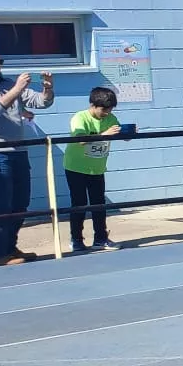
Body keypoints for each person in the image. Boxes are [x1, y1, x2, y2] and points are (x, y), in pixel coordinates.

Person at [0, 41, 55, 264]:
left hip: (18, 150)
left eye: (0, 61)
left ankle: (9, 247)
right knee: (1, 206)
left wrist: (47, 88)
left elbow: (41, 103)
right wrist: (16, 89)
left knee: (20, 204)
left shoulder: (7, 83)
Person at [63, 85, 125, 250]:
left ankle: (100, 238)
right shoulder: (80, 118)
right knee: (79, 203)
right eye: (103, 110)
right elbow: (80, 140)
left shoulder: (110, 118)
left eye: (110, 110)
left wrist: (127, 133)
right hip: (76, 167)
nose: (106, 114)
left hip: (97, 167)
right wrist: (105, 134)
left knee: (99, 203)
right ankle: (76, 239)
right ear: (92, 105)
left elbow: (118, 133)